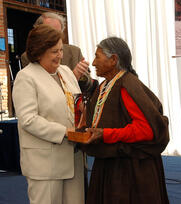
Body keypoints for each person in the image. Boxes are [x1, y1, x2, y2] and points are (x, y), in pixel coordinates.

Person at [79, 37, 170, 204]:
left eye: (97, 56)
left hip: (130, 170)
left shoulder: (127, 85)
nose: (93, 62)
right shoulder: (105, 85)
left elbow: (146, 130)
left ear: (113, 59)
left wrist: (105, 134)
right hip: (112, 163)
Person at [12, 24, 84, 204]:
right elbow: (28, 119)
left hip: (74, 159)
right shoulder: (26, 77)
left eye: (61, 50)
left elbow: (76, 104)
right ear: (38, 52)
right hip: (45, 165)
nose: (60, 55)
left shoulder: (66, 71)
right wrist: (65, 133)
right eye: (54, 51)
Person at [20, 12, 96, 94]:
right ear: (38, 32)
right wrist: (72, 77)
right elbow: (41, 89)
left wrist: (81, 77)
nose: (60, 55)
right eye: (50, 32)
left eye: (57, 33)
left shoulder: (74, 52)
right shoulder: (29, 56)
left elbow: (89, 85)